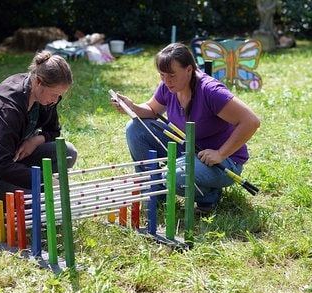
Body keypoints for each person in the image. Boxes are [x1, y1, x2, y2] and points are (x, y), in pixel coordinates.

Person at [110, 43, 260, 213]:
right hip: (186, 149)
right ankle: (154, 193)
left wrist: (220, 153)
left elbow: (251, 121)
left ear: (189, 70)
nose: (166, 81)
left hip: (224, 161)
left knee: (171, 176)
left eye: (172, 75)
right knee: (135, 128)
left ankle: (209, 194)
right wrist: (132, 107)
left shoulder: (211, 91)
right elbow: (152, 111)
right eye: (162, 75)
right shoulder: (168, 87)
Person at [0, 51, 78, 222]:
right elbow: (0, 166)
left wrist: (35, 141)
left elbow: (53, 131)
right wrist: (45, 180)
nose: (56, 100)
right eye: (53, 94)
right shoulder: (9, 108)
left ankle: (35, 190)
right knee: (44, 205)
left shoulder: (45, 98)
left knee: (67, 151)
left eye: (59, 95)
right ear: (37, 82)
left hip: (15, 163)